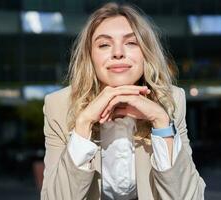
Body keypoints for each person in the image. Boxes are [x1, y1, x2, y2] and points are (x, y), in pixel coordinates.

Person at [41, 2, 205, 200]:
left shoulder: (171, 100)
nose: (118, 53)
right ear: (90, 56)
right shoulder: (58, 105)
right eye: (104, 44)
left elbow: (189, 197)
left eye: (131, 42)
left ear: (146, 52)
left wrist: (160, 121)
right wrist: (83, 125)